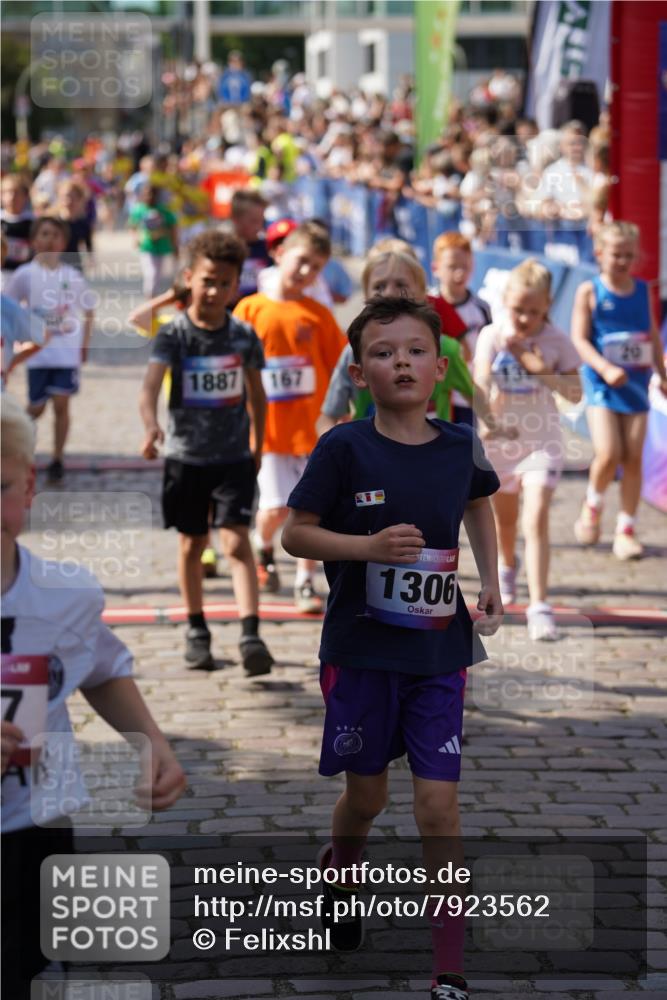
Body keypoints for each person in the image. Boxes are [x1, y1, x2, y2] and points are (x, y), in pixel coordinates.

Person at [282, 296, 502, 1000]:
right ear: (357, 372)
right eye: (382, 352)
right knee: (367, 797)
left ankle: (448, 967)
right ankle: (342, 868)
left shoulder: (458, 443)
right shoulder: (344, 447)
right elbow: (295, 532)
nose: (399, 361)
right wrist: (366, 548)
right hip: (361, 649)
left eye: (413, 350)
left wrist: (493, 579)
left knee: (438, 806)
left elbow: (477, 502)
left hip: (439, 651)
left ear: (440, 368)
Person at [1, 392, 186, 999]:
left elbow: (101, 665)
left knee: (26, 968)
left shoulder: (64, 596)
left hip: (34, 825)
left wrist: (151, 743)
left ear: (28, 487)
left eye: (0, 486)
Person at [139, 231, 274, 676]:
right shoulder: (174, 334)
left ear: (237, 286)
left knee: (236, 542)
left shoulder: (243, 335)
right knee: (193, 543)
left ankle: (251, 633)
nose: (215, 291)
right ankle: (197, 628)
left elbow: (257, 395)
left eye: (225, 283)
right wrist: (151, 424)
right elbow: (149, 387)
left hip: (234, 457)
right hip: (186, 457)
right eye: (208, 281)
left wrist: (259, 443)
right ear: (189, 279)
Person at [233, 222, 346, 613]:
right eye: (301, 261)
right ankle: (262, 543)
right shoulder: (250, 310)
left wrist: (342, 414)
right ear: (280, 254)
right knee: (275, 510)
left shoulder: (318, 315)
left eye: (315, 267)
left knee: (311, 512)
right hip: (268, 433)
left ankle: (305, 580)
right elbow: (234, 366)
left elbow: (341, 367)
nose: (305, 272)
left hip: (312, 432)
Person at [473, 259, 582, 640]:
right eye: (518, 309)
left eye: (534, 312)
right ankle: (506, 567)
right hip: (500, 444)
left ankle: (540, 605)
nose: (524, 318)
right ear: (506, 301)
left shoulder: (556, 341)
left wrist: (534, 363)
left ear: (547, 307)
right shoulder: (491, 334)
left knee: (535, 519)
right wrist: (487, 419)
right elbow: (480, 381)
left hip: (542, 443)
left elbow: (574, 392)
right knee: (504, 521)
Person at [572, 221, 667, 558]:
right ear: (600, 254)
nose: (623, 261)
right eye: (616, 254)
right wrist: (604, 367)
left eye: (629, 255)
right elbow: (579, 339)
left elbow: (652, 334)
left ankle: (626, 527)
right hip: (603, 386)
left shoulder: (642, 290)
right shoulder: (590, 291)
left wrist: (662, 371)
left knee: (633, 457)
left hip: (638, 386)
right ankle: (593, 505)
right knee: (609, 452)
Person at [316, 247, 483, 435]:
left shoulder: (445, 349)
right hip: (372, 460)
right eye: (379, 286)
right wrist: (330, 446)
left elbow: (473, 395)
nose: (389, 293)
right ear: (365, 295)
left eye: (401, 285)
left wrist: (493, 427)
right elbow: (329, 415)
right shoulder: (353, 353)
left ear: (422, 294)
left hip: (430, 460)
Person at [4, 216, 95, 486]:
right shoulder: (24, 275)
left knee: (61, 404)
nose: (50, 239)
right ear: (34, 241)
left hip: (66, 353)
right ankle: (18, 442)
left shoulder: (72, 276)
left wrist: (84, 346)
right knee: (37, 406)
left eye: (55, 235)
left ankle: (57, 458)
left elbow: (89, 310)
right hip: (37, 355)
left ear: (64, 242)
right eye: (44, 234)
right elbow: (7, 308)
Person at [429, 232, 492, 425]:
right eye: (452, 267)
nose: (459, 273)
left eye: (465, 267)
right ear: (435, 268)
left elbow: (489, 350)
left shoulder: (481, 308)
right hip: (435, 396)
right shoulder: (426, 305)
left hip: (468, 395)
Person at [129, 183, 178, 297]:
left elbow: (173, 227)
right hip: (147, 247)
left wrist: (175, 245)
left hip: (162, 247)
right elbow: (132, 225)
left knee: (159, 275)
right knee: (151, 274)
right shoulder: (140, 210)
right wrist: (135, 238)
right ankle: (150, 299)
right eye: (147, 194)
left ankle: (153, 300)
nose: (149, 197)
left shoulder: (164, 211)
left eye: (152, 194)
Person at [228, 189, 272, 304]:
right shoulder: (224, 249)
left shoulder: (268, 249)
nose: (259, 227)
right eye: (253, 221)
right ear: (235, 218)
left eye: (262, 221)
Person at [0, 174, 33, 276]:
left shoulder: (33, 223)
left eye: (16, 192)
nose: (12, 197)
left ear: (26, 195)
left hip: (24, 275)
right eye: (7, 192)